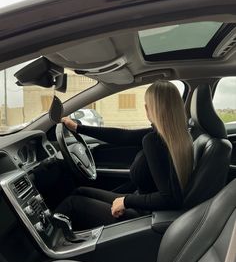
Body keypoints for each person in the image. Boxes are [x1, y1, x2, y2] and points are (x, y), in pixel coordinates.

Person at [55, 81, 193, 230]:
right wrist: (77, 128)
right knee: (80, 191)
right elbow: (123, 136)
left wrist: (126, 201)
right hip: (143, 204)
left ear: (151, 108)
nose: (145, 108)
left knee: (72, 204)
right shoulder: (178, 137)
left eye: (146, 104)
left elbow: (170, 198)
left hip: (145, 216)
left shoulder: (155, 141)